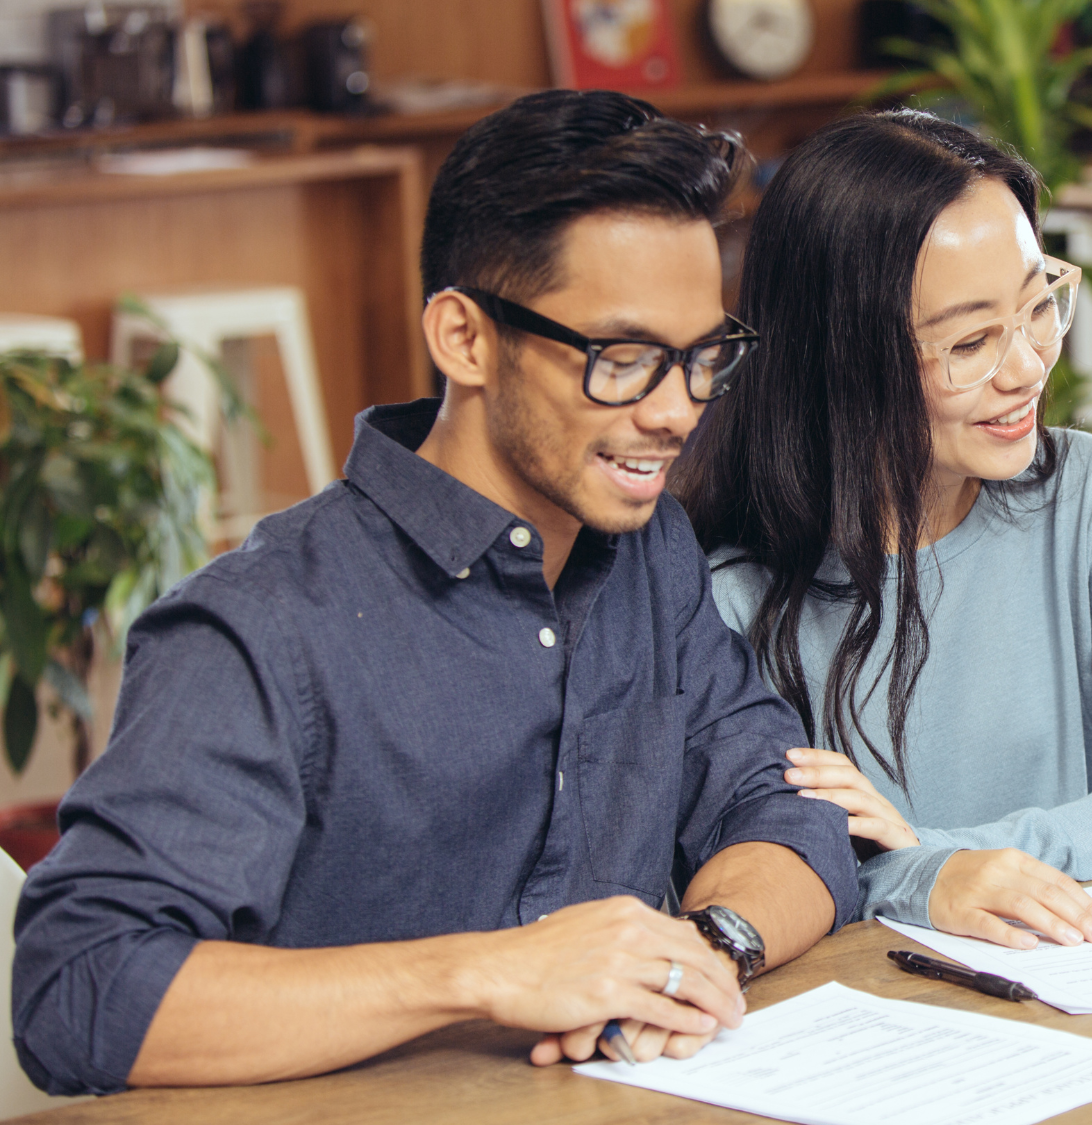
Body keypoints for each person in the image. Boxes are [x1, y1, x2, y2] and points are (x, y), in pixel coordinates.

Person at [12, 90, 859, 1096]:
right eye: (623, 360)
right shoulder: (260, 625)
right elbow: (80, 989)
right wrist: (485, 973)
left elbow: (789, 811)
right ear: (463, 338)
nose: (676, 413)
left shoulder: (646, 552)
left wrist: (706, 947)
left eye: (701, 359)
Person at [672, 110, 1092, 950]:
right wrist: (920, 879)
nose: (1026, 367)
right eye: (973, 340)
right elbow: (739, 884)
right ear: (841, 358)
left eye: (1037, 307)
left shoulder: (1081, 493)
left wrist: (935, 857)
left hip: (1063, 984)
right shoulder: (725, 591)